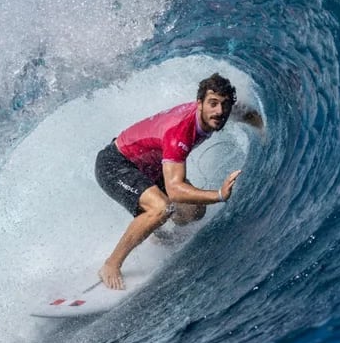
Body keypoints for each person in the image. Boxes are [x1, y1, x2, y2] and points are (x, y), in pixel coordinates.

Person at [94, 73, 254, 289]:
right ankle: (111, 265)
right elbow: (176, 190)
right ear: (199, 104)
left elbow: (237, 111)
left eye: (224, 105)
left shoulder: (215, 112)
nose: (219, 111)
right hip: (116, 164)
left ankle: (158, 235)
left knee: (194, 211)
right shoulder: (180, 132)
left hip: (150, 165)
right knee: (161, 208)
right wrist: (218, 195)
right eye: (213, 104)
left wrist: (263, 126)